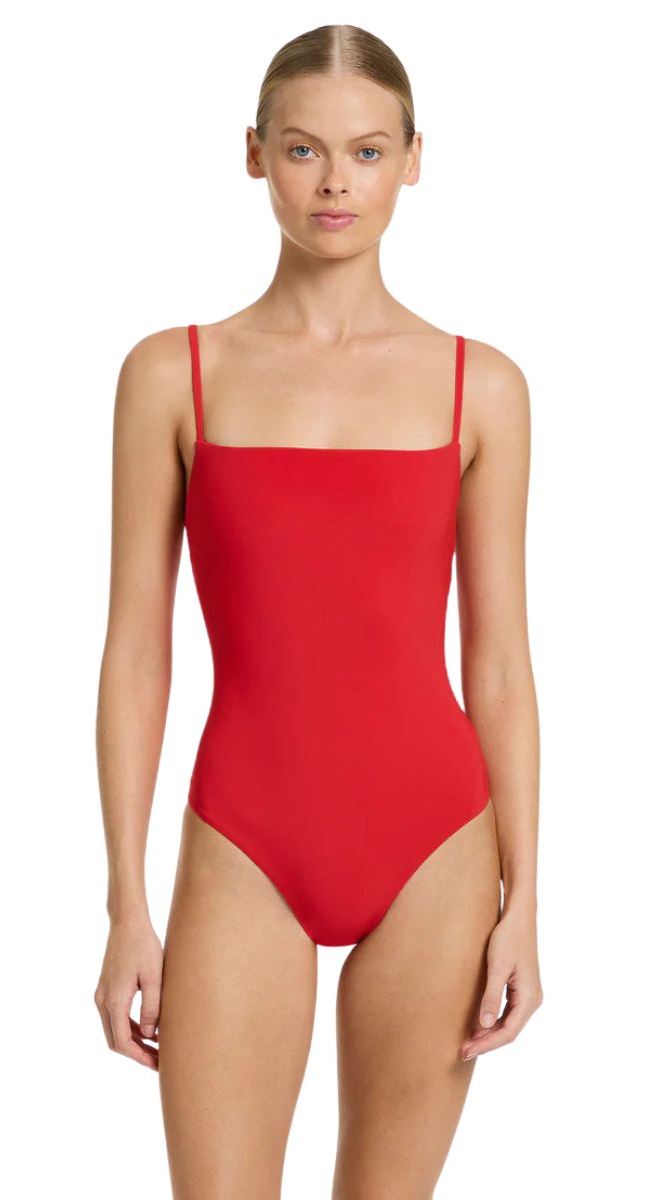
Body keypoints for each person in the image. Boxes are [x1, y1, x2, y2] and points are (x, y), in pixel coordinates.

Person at [94, 22, 543, 1199]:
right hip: (244, 837)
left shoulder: (481, 386)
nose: (335, 182)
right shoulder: (172, 374)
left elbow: (499, 662)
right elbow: (136, 651)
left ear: (413, 160)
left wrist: (526, 903)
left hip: (438, 843)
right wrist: (126, 903)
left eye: (366, 151)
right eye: (302, 149)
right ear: (253, 154)